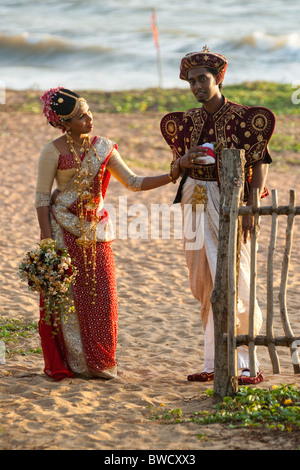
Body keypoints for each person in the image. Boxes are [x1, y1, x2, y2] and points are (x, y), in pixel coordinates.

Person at [35, 86, 181, 381]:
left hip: (96, 232)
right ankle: (76, 365)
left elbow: (134, 182)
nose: (90, 119)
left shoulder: (104, 148)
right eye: (81, 116)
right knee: (68, 300)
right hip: (63, 230)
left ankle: (101, 364)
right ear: (65, 124)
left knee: (104, 297)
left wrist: (173, 174)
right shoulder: (51, 152)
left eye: (88, 113)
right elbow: (41, 198)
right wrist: (47, 240)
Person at [160, 46, 275, 384]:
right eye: (192, 81)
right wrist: (182, 162)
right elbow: (174, 168)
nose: (197, 86)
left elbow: (259, 162)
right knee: (205, 283)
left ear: (219, 78)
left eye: (203, 79)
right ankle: (213, 362)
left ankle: (245, 364)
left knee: (236, 278)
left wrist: (251, 205)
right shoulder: (185, 122)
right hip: (194, 200)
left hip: (229, 202)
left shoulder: (243, 119)